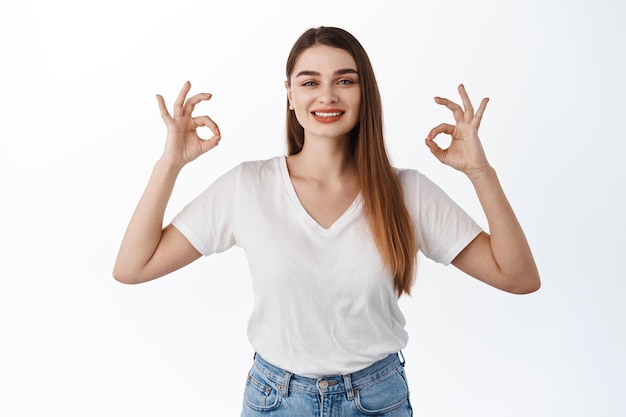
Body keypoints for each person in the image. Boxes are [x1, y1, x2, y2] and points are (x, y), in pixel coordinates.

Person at [113, 26, 540, 417]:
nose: (327, 96)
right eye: (310, 82)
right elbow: (134, 267)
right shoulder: (248, 186)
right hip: (275, 400)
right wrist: (169, 164)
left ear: (364, 92)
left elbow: (518, 276)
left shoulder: (406, 192)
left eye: (345, 81)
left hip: (377, 400)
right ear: (289, 94)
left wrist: (480, 173)